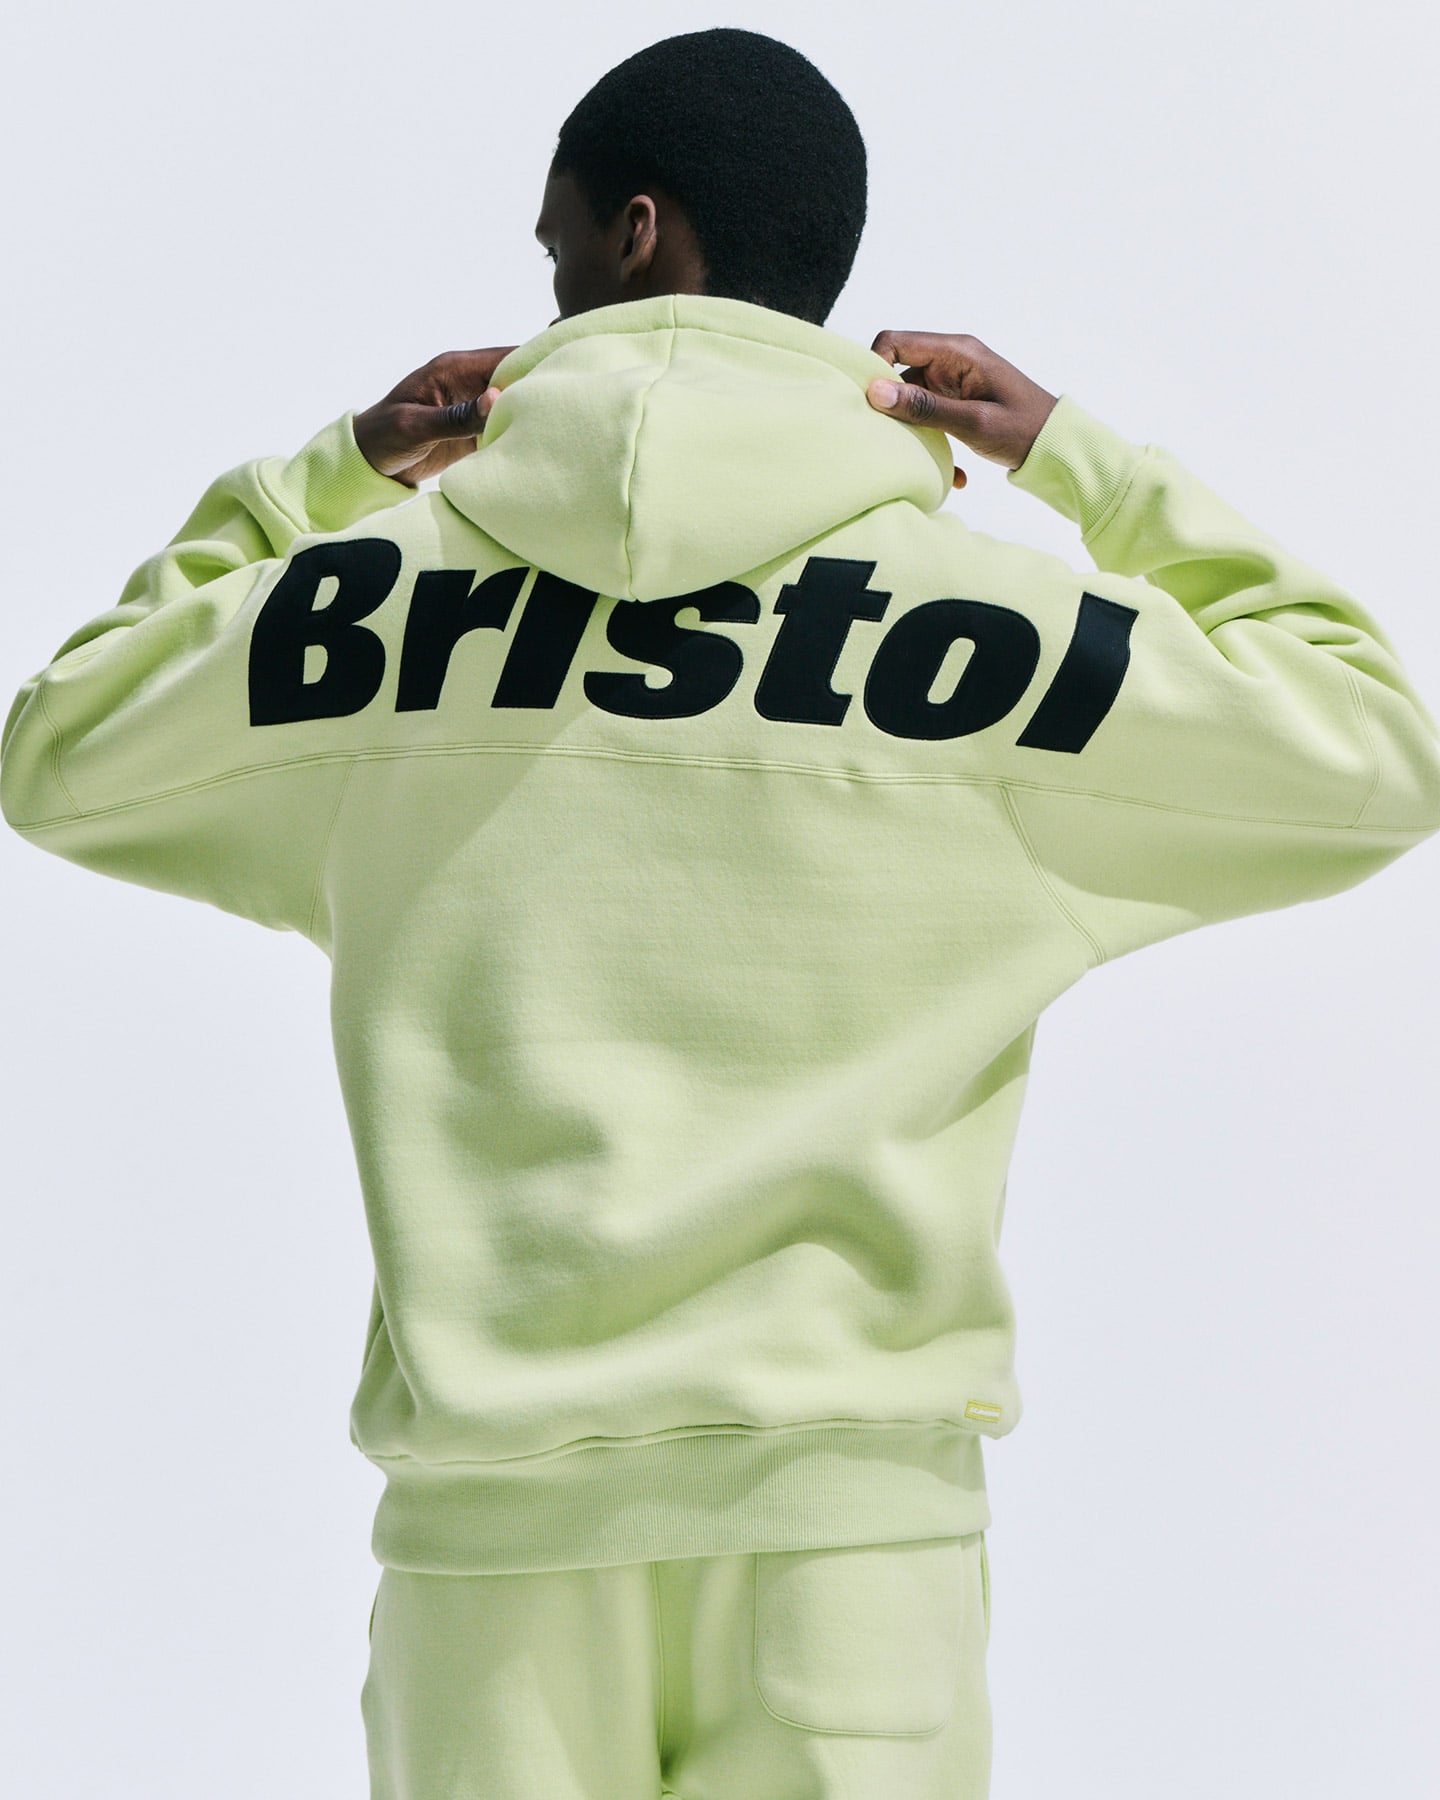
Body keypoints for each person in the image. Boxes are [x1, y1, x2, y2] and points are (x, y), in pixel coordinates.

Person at [3, 24, 1438, 1800]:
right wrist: (1081, 460)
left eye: (552, 246)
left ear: (635, 234)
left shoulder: (371, 614)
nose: (542, 288)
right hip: (853, 1545)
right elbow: (1376, 747)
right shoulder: (986, 631)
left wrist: (326, 480)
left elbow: (59, 748)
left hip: (492, 1557)